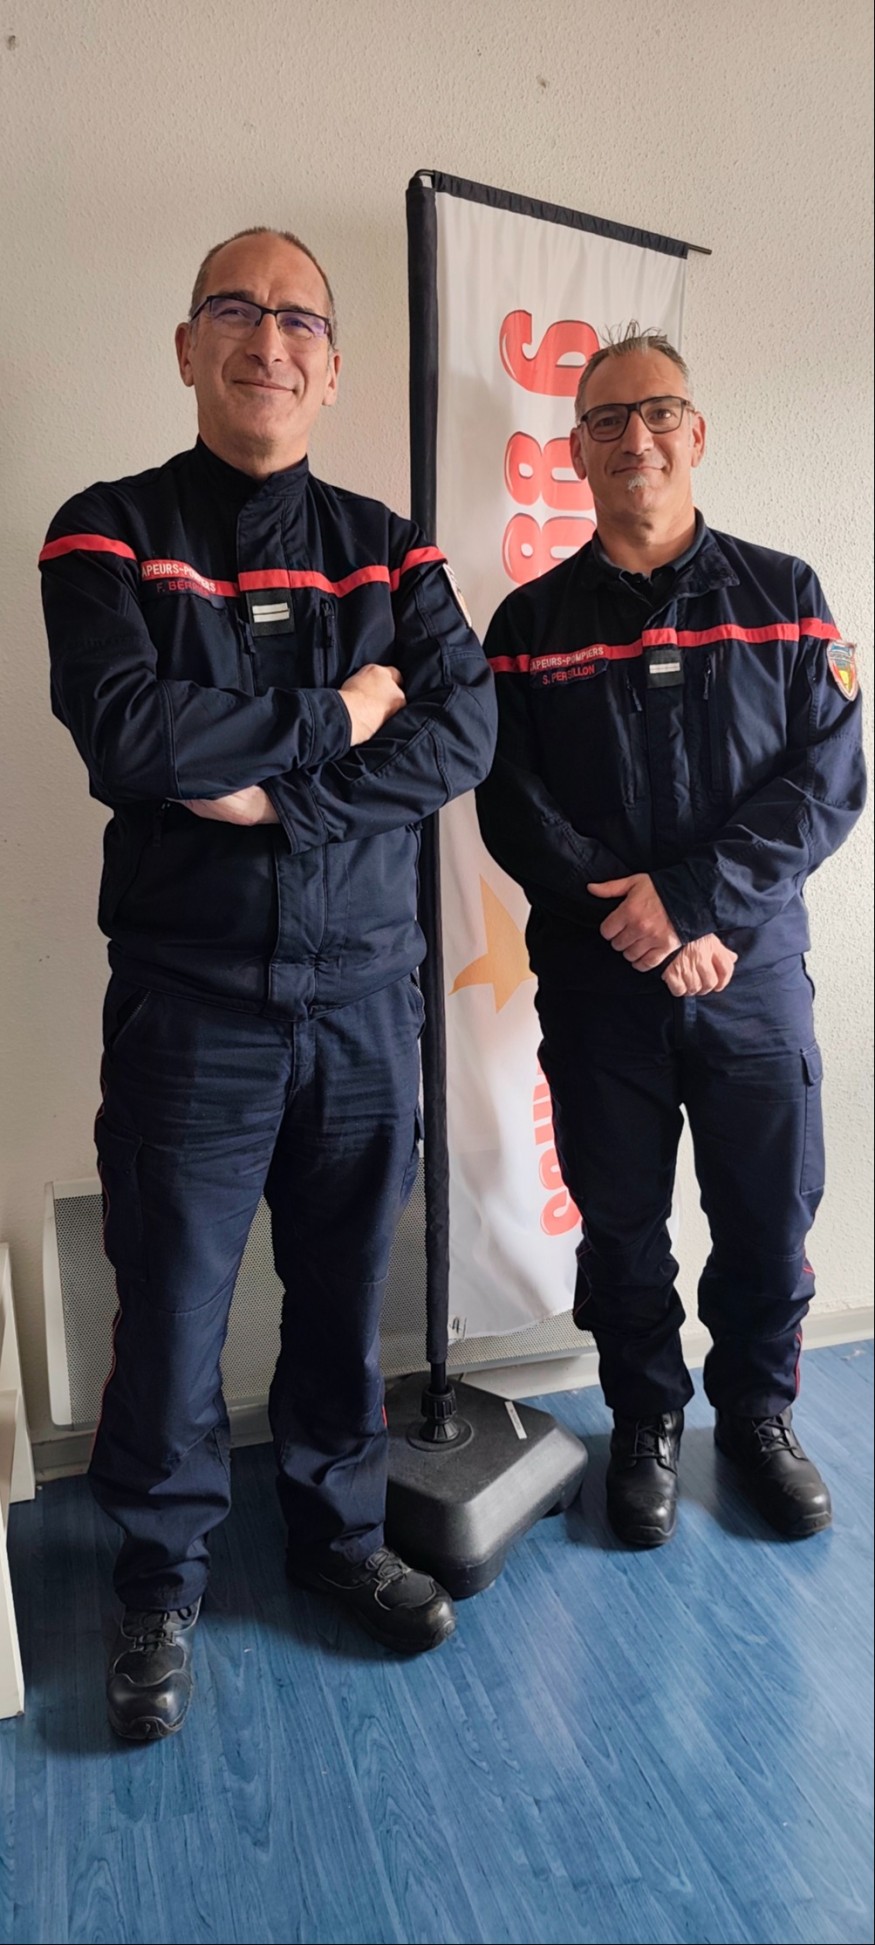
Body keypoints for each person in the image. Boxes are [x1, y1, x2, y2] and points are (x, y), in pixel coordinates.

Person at [41, 226, 497, 1739]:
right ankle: (158, 1581)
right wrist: (339, 713)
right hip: (193, 1006)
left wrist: (276, 794)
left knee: (341, 1295)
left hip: (366, 998)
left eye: (298, 319)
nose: (268, 340)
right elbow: (132, 736)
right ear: (187, 347)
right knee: (171, 1310)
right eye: (234, 310)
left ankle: (336, 1537)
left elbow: (463, 730)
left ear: (333, 367)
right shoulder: (104, 532)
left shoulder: (392, 548)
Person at [476, 325, 865, 1551]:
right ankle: (643, 1416)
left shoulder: (784, 597)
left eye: (655, 414)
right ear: (575, 451)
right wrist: (641, 923)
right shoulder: (526, 625)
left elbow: (826, 784)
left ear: (694, 434)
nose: (633, 437)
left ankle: (755, 1415)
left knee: (766, 1214)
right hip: (601, 984)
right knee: (621, 1221)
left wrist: (693, 904)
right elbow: (511, 806)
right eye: (605, 419)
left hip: (750, 976)